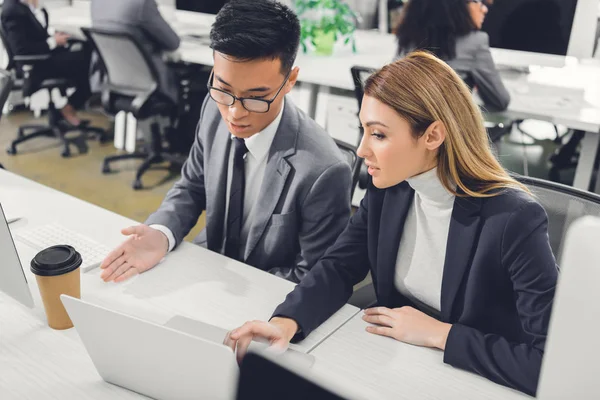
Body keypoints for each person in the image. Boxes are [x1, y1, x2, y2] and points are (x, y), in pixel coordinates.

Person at [225, 52, 558, 397]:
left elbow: (551, 366)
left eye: (379, 135)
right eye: (363, 131)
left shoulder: (513, 219)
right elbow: (339, 266)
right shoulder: (392, 188)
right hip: (392, 365)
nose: (361, 150)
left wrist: (440, 334)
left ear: (433, 136)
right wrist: (285, 322)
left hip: (468, 381)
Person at [99, 0, 352, 284]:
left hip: (264, 296)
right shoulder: (212, 106)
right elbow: (193, 186)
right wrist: (162, 233)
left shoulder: (323, 170)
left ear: (290, 80)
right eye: (223, 88)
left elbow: (313, 276)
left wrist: (233, 284)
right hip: (206, 267)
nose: (235, 113)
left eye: (256, 97)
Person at [395, 0, 510, 111]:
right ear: (458, 6)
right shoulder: (475, 42)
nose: (484, 9)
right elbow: (501, 100)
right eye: (479, 1)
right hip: (451, 127)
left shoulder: (408, 39)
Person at [1, 0, 93, 126]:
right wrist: (53, 41)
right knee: (85, 60)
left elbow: (35, 36)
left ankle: (68, 107)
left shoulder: (26, 7)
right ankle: (70, 106)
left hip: (43, 59)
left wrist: (54, 38)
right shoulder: (11, 10)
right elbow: (21, 50)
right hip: (33, 66)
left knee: (84, 50)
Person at [91, 0, 182, 104]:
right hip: (149, 85)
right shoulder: (142, 4)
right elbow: (173, 43)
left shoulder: (97, 2)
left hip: (110, 82)